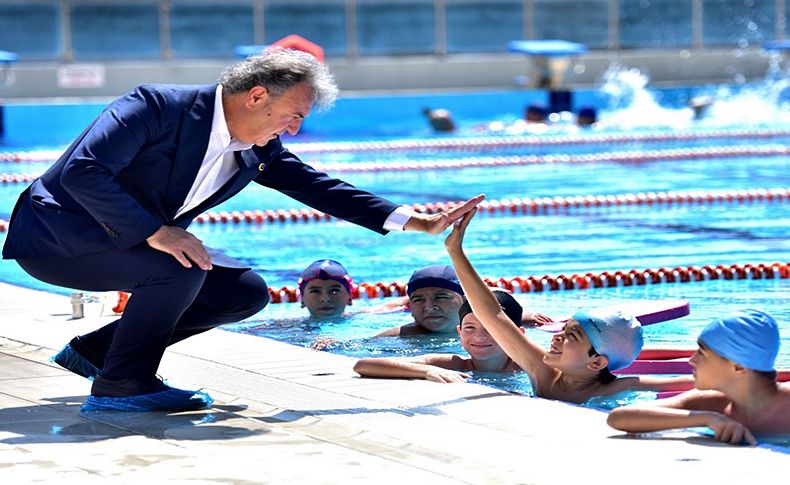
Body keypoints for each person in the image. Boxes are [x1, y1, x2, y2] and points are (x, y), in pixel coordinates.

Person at [1, 48, 483, 412]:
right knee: (178, 264)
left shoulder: (255, 145)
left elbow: (316, 186)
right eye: (294, 115)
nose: (294, 129)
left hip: (124, 245)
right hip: (57, 238)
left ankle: (98, 352)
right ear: (256, 96)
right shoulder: (154, 108)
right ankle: (122, 385)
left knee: (242, 292)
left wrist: (413, 221)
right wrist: (156, 231)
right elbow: (83, 171)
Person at [443, 208, 692, 404]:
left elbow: (705, 384)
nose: (557, 337)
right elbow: (493, 316)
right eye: (564, 330)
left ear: (596, 363)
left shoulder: (623, 388)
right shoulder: (543, 373)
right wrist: (456, 251)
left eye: (571, 335)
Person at [607, 309, 789, 445]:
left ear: (739, 366)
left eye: (701, 353)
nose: (692, 360)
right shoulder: (713, 404)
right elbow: (619, 417)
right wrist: (707, 418)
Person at [354, 290, 525, 382]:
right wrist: (426, 370)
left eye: (490, 328)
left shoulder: (529, 366)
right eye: (470, 327)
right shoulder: (454, 364)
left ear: (519, 333)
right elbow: (364, 365)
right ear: (459, 332)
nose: (479, 336)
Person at [373, 265, 465, 337]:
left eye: (440, 297)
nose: (429, 307)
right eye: (418, 300)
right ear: (410, 306)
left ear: (465, 302)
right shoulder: (391, 339)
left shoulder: (479, 331)